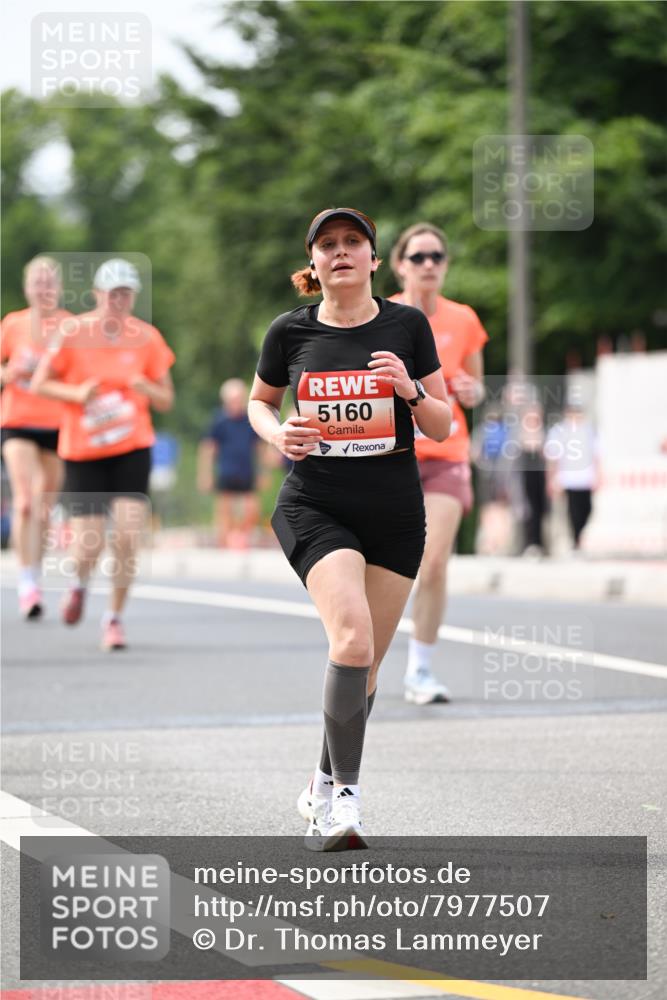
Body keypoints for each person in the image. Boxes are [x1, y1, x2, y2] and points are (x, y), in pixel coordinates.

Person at [248, 208, 450, 850]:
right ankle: (344, 805)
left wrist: (411, 390)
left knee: (362, 668)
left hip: (393, 511)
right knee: (353, 639)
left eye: (352, 242)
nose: (340, 252)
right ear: (313, 264)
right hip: (316, 503)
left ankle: (317, 783)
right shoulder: (290, 332)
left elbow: (443, 425)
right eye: (327, 245)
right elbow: (260, 401)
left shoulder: (407, 325)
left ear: (372, 258)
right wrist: (279, 432)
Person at [31, 258, 175, 651]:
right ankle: (78, 583)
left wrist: (145, 387)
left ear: (133, 297)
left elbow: (166, 398)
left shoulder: (147, 338)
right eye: (112, 293)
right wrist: (76, 394)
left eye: (126, 293)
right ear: (97, 295)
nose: (119, 300)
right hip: (83, 450)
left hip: (131, 447)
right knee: (89, 544)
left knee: (128, 537)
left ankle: (114, 619)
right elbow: (40, 383)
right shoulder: (73, 332)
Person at [389, 223, 487, 704]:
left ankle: (420, 671)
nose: (428, 265)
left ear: (445, 265)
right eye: (418, 257)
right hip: (389, 455)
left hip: (446, 452)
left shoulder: (464, 319)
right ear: (399, 264)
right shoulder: (380, 316)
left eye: (437, 257)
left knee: (433, 564)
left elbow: (476, 384)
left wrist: (472, 391)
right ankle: (357, 654)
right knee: (383, 568)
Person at [1, 256, 71, 619]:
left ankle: (35, 572)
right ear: (27, 287)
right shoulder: (12, 324)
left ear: (58, 288)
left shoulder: (71, 327)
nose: (44, 289)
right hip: (17, 421)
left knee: (44, 507)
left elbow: (80, 373)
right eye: (37, 282)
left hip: (58, 424)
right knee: (25, 501)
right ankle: (27, 583)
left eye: (49, 282)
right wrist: (10, 371)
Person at [197, 378, 262, 548]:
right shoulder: (219, 421)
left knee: (251, 510)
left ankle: (241, 537)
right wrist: (206, 474)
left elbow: (259, 447)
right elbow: (208, 448)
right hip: (226, 470)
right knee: (224, 511)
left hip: (247, 470)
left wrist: (263, 472)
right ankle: (224, 544)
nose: (236, 403)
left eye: (239, 398)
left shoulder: (250, 420)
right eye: (233, 399)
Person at [545, 399, 597, 550]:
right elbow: (553, 457)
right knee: (572, 511)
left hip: (586, 478)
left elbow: (596, 454)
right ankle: (575, 540)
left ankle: (579, 536)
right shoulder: (559, 431)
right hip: (567, 478)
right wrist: (551, 478)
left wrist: (597, 475)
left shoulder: (589, 430)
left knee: (586, 508)